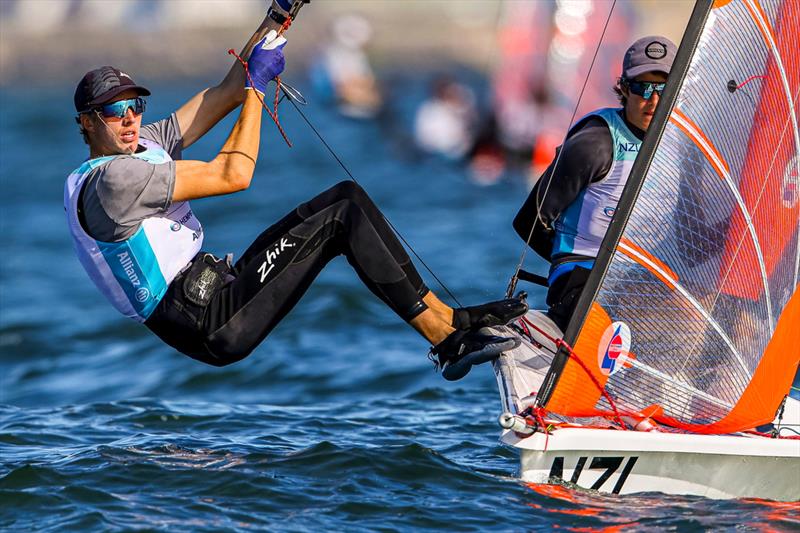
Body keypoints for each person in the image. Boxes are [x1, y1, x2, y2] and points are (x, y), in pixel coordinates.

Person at [64, 2, 527, 382]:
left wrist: (281, 13)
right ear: (86, 123)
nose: (129, 119)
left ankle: (450, 322)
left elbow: (226, 89)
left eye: (134, 105)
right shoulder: (112, 183)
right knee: (341, 212)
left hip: (215, 290)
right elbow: (233, 174)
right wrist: (259, 90)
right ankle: (446, 339)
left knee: (346, 200)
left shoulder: (143, 144)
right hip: (208, 323)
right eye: (112, 112)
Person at [512, 36, 677, 331]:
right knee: (640, 311)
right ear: (625, 89)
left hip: (646, 279)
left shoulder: (683, 146)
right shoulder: (595, 143)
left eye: (664, 89)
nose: (653, 101)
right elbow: (528, 222)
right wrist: (580, 271)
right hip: (583, 275)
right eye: (643, 88)